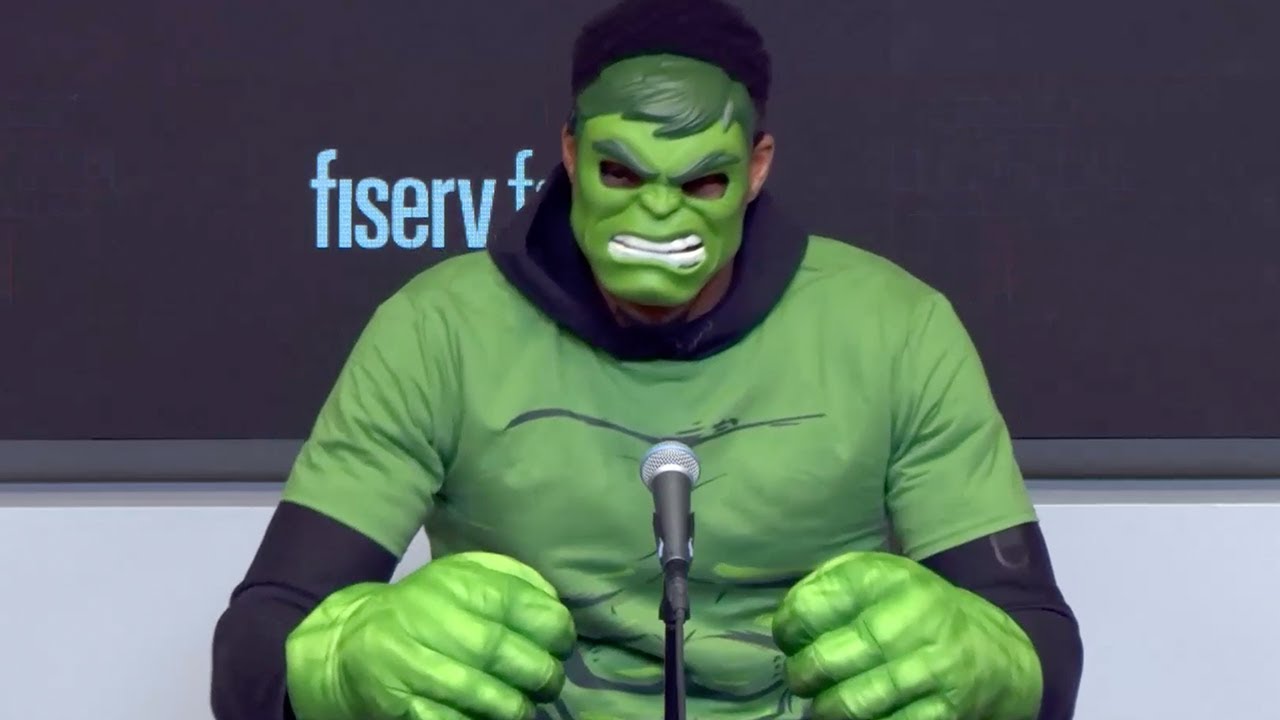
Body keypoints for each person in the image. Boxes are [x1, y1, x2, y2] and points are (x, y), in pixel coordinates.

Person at [211, 0, 1083, 718]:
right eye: (622, 174)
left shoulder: (896, 329)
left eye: (701, 181)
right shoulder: (438, 331)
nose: (659, 214)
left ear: (756, 169)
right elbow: (251, 652)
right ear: (570, 154)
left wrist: (983, 663)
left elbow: (1040, 644)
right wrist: (342, 662)